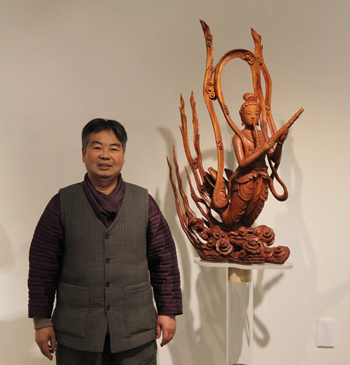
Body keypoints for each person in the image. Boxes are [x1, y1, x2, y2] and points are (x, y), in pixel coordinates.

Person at [28, 118, 183, 364]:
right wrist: (41, 320)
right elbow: (42, 266)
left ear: (123, 154)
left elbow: (164, 259)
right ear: (83, 153)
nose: (105, 155)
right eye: (97, 147)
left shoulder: (144, 202)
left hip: (136, 334)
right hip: (76, 336)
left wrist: (167, 310)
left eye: (114, 148)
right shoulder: (62, 203)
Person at [221, 93, 288, 228]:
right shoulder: (239, 137)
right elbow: (242, 163)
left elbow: (274, 158)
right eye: (248, 113)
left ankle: (245, 238)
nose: (252, 116)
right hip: (245, 180)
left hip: (262, 180)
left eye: (256, 113)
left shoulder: (262, 135)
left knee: (250, 218)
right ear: (241, 117)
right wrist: (262, 150)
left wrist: (280, 143)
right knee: (233, 219)